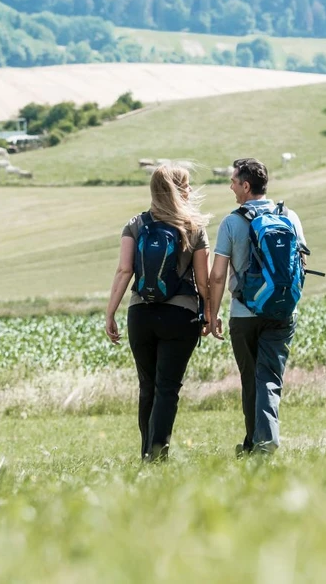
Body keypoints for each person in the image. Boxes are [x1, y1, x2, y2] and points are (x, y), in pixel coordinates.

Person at [104, 165, 212, 461]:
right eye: (187, 186)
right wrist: (211, 313)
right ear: (179, 190)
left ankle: (145, 454)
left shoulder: (136, 224)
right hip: (180, 315)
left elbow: (125, 269)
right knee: (167, 388)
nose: (190, 190)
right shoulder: (193, 227)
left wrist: (110, 312)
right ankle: (157, 455)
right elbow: (203, 282)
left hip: (140, 314)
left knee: (147, 386)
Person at [205, 158, 307, 456]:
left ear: (246, 186)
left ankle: (264, 441)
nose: (231, 186)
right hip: (283, 313)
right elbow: (299, 265)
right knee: (270, 378)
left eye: (234, 182)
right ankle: (255, 443)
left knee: (252, 379)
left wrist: (213, 313)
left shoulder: (232, 222)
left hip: (244, 314)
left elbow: (218, 274)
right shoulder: (290, 216)